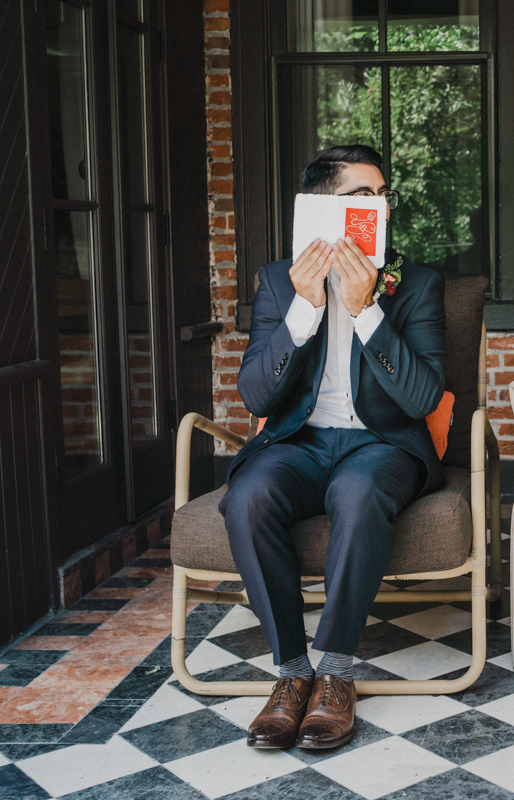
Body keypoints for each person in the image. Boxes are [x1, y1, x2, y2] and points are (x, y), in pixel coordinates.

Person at [218, 144, 447, 751]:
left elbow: (423, 399)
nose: (379, 206)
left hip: (381, 444)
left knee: (358, 488)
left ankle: (337, 673)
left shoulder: (416, 284)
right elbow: (254, 392)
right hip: (300, 440)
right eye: (360, 196)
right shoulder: (276, 280)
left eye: (382, 196)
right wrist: (304, 311)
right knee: (248, 495)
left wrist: (367, 308)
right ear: (320, 210)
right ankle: (292, 673)